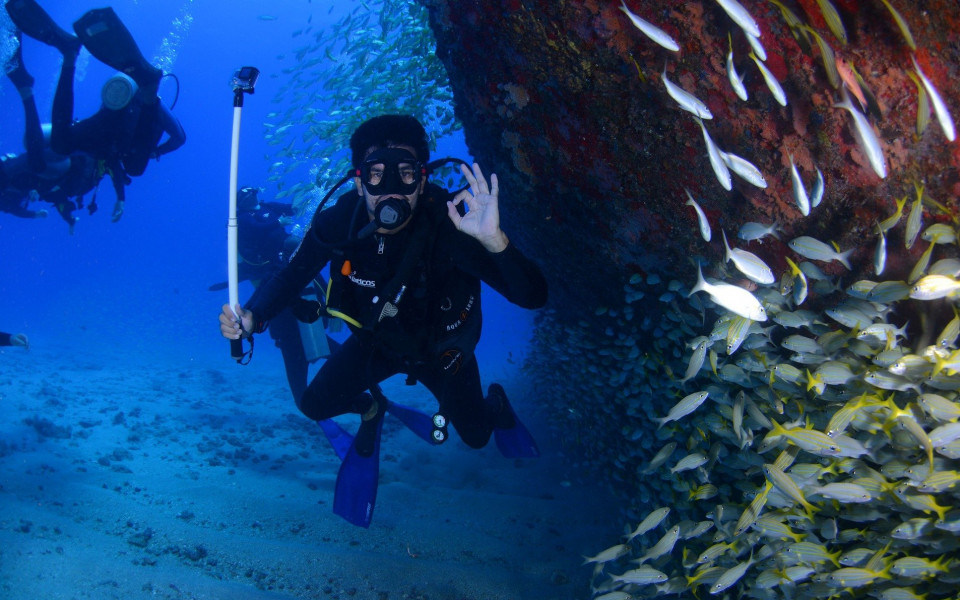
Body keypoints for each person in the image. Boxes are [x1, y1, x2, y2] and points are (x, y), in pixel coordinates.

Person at [219, 115, 548, 460]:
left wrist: (496, 242)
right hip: (376, 346)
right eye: (376, 174)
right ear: (359, 183)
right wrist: (254, 315)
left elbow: (533, 297)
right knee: (314, 404)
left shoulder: (451, 224)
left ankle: (495, 402)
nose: (390, 190)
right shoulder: (339, 222)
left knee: (478, 436)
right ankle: (372, 405)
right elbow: (291, 276)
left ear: (422, 182)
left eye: (405, 173)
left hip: (443, 354)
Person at [4, 0, 186, 222]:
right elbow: (179, 138)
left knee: (63, 144)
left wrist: (154, 153)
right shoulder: (155, 107)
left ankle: (70, 56)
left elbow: (178, 138)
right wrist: (156, 152)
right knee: (133, 167)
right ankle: (70, 54)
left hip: (105, 138)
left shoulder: (155, 108)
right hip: (109, 140)